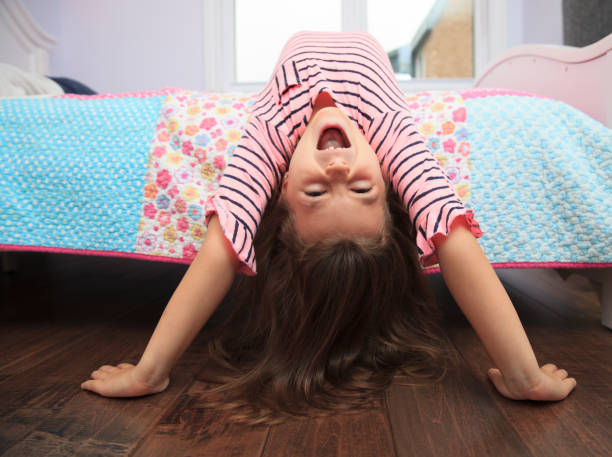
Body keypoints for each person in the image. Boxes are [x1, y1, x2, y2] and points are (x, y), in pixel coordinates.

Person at [81, 32, 576, 421]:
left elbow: (224, 244)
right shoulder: (390, 129)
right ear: (388, 182)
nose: (338, 173)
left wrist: (150, 371)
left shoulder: (270, 131)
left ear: (280, 192)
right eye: (362, 191)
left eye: (316, 194)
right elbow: (454, 236)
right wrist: (523, 375)